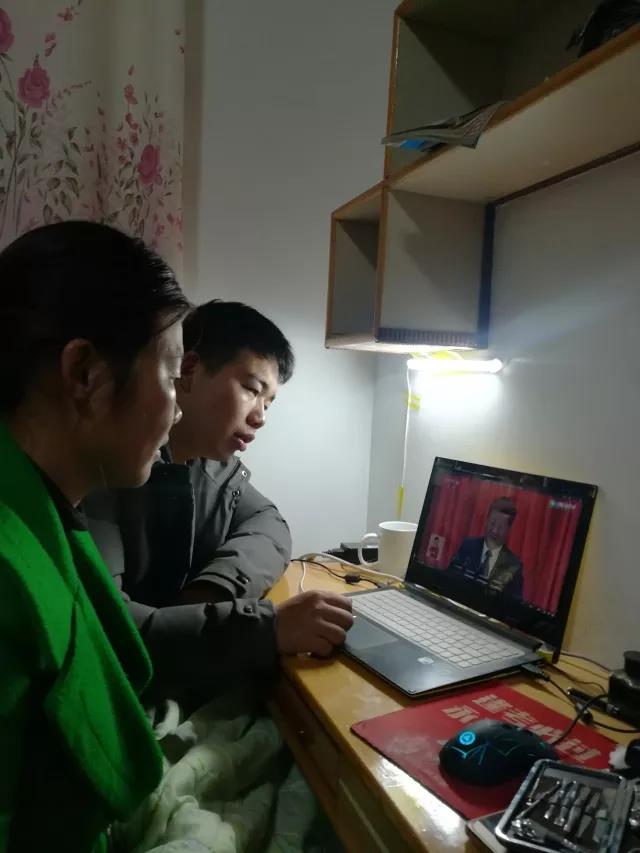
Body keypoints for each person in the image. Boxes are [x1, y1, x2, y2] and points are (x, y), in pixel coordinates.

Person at [0, 221, 191, 850]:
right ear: (86, 374)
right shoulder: (6, 580)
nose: (177, 409)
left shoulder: (47, 504)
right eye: (171, 377)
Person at [86, 300, 354, 696]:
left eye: (268, 403)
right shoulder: (109, 469)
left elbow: (269, 524)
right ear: (188, 371)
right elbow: (112, 632)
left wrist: (214, 590)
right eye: (251, 390)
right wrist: (265, 627)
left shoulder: (213, 468)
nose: (260, 417)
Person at [447, 497, 523, 599]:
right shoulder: (468, 546)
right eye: (492, 523)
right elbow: (449, 578)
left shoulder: (514, 565)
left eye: (501, 527)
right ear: (486, 520)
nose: (494, 531)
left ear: (509, 529)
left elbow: (514, 603)